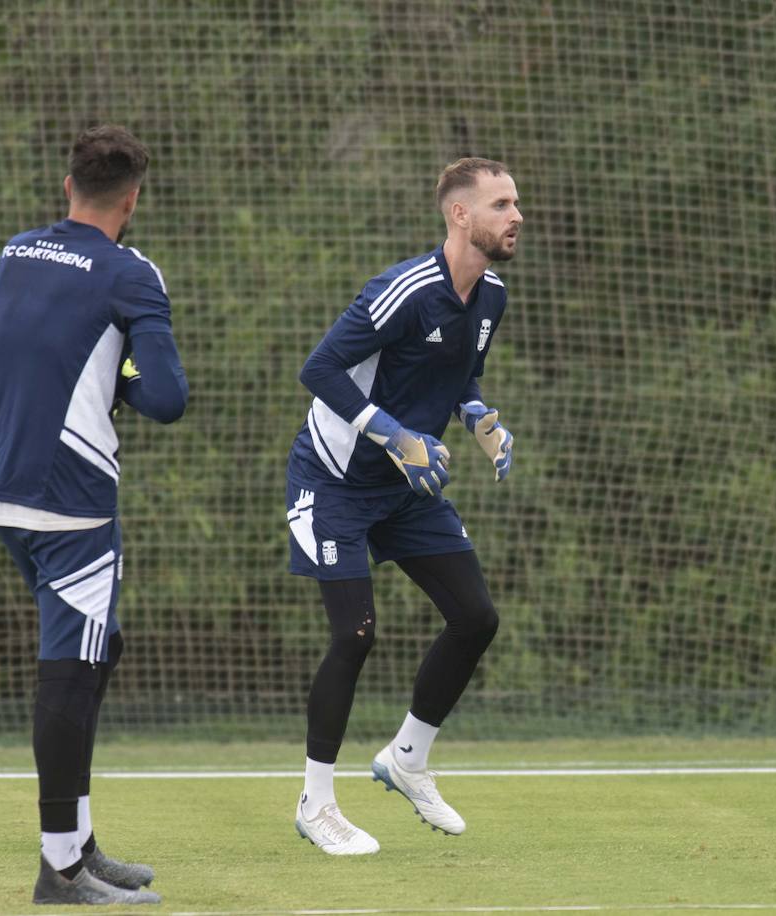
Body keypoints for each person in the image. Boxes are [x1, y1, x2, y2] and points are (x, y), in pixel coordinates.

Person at [284, 158, 521, 855]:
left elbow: (460, 373)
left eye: (516, 203)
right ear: (460, 215)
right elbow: (319, 369)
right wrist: (391, 434)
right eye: (501, 204)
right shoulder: (404, 291)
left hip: (405, 488)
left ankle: (407, 759)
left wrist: (478, 416)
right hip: (334, 480)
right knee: (355, 635)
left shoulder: (492, 296)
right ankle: (316, 804)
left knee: (476, 617)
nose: (516, 216)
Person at [0, 125, 188, 905]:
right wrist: (122, 376)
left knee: (100, 650)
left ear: (69, 186)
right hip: (73, 497)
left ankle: (81, 844)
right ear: (131, 201)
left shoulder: (17, 251)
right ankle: (61, 869)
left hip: (6, 488)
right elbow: (167, 398)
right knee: (70, 674)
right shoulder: (130, 272)